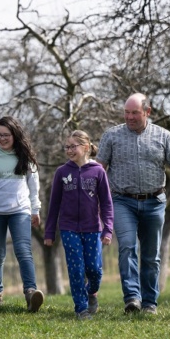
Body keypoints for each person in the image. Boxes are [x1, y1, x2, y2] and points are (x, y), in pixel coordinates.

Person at [96, 93, 170, 315]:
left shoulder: (163, 136)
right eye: (126, 112)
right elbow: (99, 169)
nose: (129, 117)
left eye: (135, 113)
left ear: (147, 112)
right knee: (127, 247)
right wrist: (97, 201)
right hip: (121, 201)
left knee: (151, 255)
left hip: (155, 202)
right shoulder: (112, 136)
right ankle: (132, 298)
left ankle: (149, 303)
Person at [0, 116, 45, 312]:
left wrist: (35, 209)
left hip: (20, 211)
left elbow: (33, 186)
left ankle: (31, 293)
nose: (2, 138)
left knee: (24, 251)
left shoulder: (25, 156)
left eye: (6, 135)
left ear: (15, 135)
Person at [44, 130, 113, 320]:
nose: (69, 150)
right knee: (76, 269)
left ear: (86, 147)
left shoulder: (98, 171)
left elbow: (107, 202)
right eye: (67, 147)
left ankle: (92, 293)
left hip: (93, 228)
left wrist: (108, 228)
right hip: (68, 228)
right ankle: (81, 308)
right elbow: (54, 204)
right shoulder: (62, 172)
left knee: (94, 270)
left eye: (73, 146)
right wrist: (49, 232)